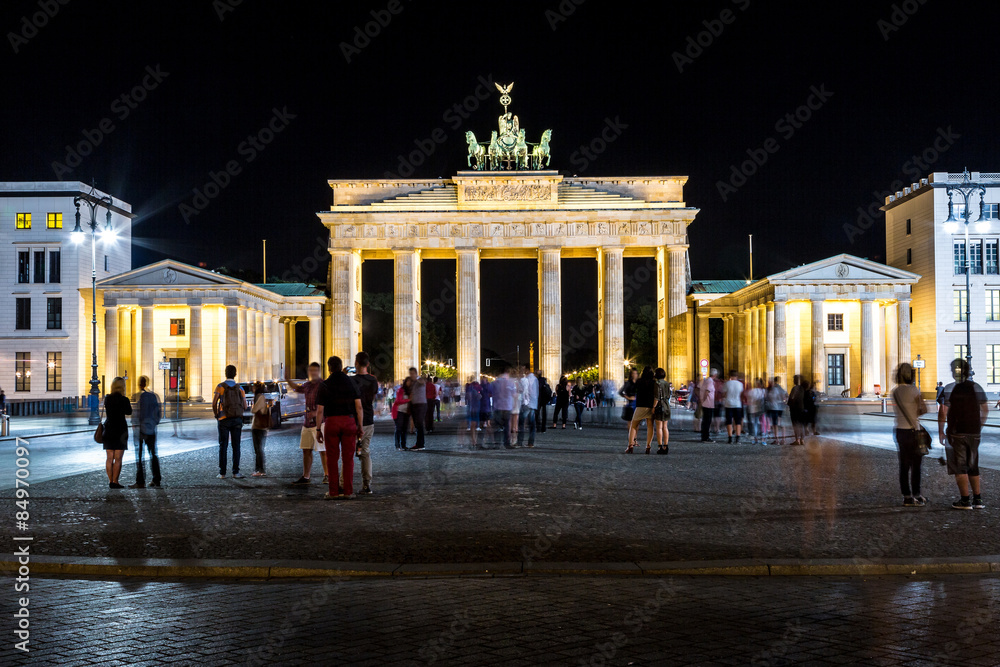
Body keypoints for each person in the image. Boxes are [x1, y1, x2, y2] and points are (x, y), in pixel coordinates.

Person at [938, 359, 989, 510]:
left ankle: (965, 500)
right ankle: (978, 500)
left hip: (956, 433)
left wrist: (941, 431)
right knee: (973, 465)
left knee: (960, 466)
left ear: (954, 372)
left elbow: (943, 413)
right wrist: (979, 425)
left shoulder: (949, 388)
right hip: (974, 432)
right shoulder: (976, 387)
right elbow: (985, 409)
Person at [315, 356, 363, 500]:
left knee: (332, 458)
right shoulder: (352, 382)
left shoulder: (324, 385)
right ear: (341, 366)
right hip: (348, 421)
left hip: (332, 422)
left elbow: (319, 410)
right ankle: (348, 491)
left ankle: (333, 491)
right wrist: (360, 425)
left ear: (329, 367)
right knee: (348, 458)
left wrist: (318, 429)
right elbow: (359, 407)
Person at [892, 363, 928, 507]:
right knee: (916, 465)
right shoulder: (914, 390)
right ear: (911, 375)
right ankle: (917, 495)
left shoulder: (895, 391)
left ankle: (907, 497)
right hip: (914, 432)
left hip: (900, 431)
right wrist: (921, 400)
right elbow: (923, 410)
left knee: (904, 465)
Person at [289, 363, 328, 486]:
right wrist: (287, 379)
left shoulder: (323, 385)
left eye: (315, 370)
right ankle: (306, 476)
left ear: (319, 371)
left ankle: (327, 475)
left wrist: (316, 412)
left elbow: (328, 402)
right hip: (307, 423)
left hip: (320, 422)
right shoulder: (307, 385)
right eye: (311, 370)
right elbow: (296, 388)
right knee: (306, 450)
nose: (313, 373)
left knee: (323, 450)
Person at [212, 364, 246, 479]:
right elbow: (245, 406)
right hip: (236, 419)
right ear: (235, 374)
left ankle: (222, 473)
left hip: (224, 419)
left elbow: (214, 403)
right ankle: (236, 472)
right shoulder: (240, 388)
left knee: (223, 445)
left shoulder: (220, 386)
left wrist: (217, 414)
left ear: (225, 373)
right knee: (236, 446)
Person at [352, 352, 379, 494]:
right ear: (368, 364)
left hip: (352, 419)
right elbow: (372, 398)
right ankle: (366, 484)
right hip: (368, 419)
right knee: (365, 452)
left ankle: (344, 484)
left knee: (348, 451)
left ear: (356, 362)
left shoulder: (350, 380)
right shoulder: (373, 381)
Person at [129, 375, 161, 488]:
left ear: (139, 384)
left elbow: (136, 413)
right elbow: (158, 412)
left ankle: (140, 481)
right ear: (146, 383)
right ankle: (156, 479)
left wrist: (134, 423)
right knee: (153, 454)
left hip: (140, 429)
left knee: (139, 455)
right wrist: (154, 422)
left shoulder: (137, 396)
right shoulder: (154, 396)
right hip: (151, 429)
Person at [102, 377, 131, 489]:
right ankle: (115, 481)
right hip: (120, 430)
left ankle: (110, 481)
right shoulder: (124, 399)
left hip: (109, 429)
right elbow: (129, 411)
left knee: (109, 457)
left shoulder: (107, 398)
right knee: (118, 458)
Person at [625, 366, 657, 454]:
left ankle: (630, 445)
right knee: (650, 426)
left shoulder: (639, 381)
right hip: (650, 406)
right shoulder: (654, 383)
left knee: (633, 425)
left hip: (640, 406)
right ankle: (648, 446)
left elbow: (632, 389)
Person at [250, 382, 270, 477]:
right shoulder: (260, 397)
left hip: (259, 426)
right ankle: (258, 469)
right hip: (258, 426)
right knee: (257, 449)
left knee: (258, 449)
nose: (252, 388)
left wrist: (253, 407)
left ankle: (261, 470)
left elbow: (254, 410)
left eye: (254, 387)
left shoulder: (260, 397)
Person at [492, 369, 516, 449]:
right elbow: (514, 395)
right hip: (507, 407)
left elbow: (489, 393)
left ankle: (497, 444)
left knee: (497, 427)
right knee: (507, 427)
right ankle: (507, 443)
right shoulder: (510, 383)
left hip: (497, 406)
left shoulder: (494, 383)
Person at [516, 364, 538, 448]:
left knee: (521, 423)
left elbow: (524, 391)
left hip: (526, 403)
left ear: (527, 370)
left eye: (524, 369)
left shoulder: (526, 379)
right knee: (532, 424)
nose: (523, 371)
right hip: (533, 403)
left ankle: (519, 442)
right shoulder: (535, 379)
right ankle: (531, 443)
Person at [407, 368, 428, 450]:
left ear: (416, 373)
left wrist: (416, 378)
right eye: (410, 373)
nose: (411, 375)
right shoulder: (413, 383)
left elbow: (422, 382)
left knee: (419, 424)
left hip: (421, 405)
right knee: (417, 425)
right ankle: (419, 443)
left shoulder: (420, 380)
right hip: (414, 405)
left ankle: (420, 444)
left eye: (412, 373)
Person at [722, 370, 744, 444]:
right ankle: (738, 438)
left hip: (728, 404)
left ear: (730, 376)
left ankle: (730, 438)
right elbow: (741, 394)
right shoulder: (740, 384)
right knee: (738, 422)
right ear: (737, 376)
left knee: (729, 422)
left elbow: (724, 394)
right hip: (737, 404)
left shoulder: (727, 384)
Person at [391, 377, 413, 450]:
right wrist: (408, 400)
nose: (409, 383)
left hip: (406, 412)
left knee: (405, 429)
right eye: (408, 381)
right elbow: (398, 401)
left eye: (410, 382)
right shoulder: (401, 390)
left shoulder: (410, 391)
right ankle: (397, 445)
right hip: (399, 411)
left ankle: (404, 445)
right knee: (399, 428)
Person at [653, 367, 670, 454]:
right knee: (665, 427)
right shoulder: (667, 383)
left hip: (659, 406)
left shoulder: (657, 383)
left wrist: (653, 407)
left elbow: (656, 397)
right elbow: (669, 395)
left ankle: (660, 447)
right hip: (666, 406)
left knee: (659, 427)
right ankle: (666, 446)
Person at [765, 377, 787, 444]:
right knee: (780, 424)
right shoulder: (780, 388)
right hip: (780, 407)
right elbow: (786, 396)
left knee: (775, 424)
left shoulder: (773, 389)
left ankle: (777, 439)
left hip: (775, 408)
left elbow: (768, 398)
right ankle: (782, 439)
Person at [698, 369, 718, 442]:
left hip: (706, 403)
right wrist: (703, 400)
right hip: (708, 403)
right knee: (707, 421)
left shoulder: (706, 380)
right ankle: (706, 437)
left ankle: (704, 436)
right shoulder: (710, 381)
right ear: (715, 375)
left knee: (705, 421)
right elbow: (707, 391)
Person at [746, 378, 766, 446]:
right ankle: (763, 440)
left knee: (755, 424)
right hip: (762, 409)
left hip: (754, 409)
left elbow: (749, 400)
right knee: (763, 424)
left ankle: (756, 439)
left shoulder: (752, 391)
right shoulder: (764, 391)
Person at [465, 376, 482, 448]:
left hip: (472, 407)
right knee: (475, 424)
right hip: (476, 407)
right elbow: (480, 396)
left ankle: (473, 441)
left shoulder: (469, 388)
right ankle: (474, 441)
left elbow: (468, 396)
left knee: (472, 425)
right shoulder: (476, 388)